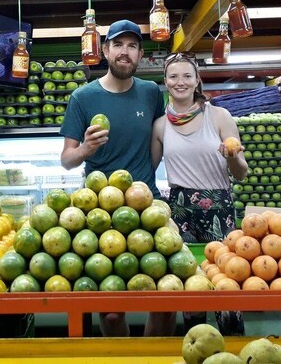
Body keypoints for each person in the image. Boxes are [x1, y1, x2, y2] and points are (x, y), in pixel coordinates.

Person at [60, 19, 167, 336]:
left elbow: (157, 144)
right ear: (105, 51)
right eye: (118, 45)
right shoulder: (82, 97)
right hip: (100, 212)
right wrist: (85, 149)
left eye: (132, 46)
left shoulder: (150, 93)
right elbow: (66, 160)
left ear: (140, 54)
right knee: (109, 313)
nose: (125, 52)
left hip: (147, 204)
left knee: (165, 301)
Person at [151, 51, 248, 336]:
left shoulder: (219, 116)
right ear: (165, 82)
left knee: (226, 284)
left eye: (186, 76)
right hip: (179, 209)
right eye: (173, 76)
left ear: (197, 81)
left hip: (218, 207)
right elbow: (148, 169)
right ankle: (197, 343)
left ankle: (233, 346)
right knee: (190, 286)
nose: (180, 82)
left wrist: (231, 157)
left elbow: (241, 173)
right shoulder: (160, 125)